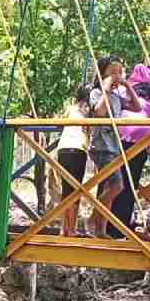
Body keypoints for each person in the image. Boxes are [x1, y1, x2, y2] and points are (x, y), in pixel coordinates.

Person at [110, 63, 150, 239]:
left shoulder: (123, 89)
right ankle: (121, 227)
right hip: (142, 140)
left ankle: (107, 225)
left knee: (111, 182)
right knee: (130, 183)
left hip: (119, 138)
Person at [88, 55, 142, 237]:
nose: (117, 75)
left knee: (109, 187)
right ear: (102, 75)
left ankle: (101, 229)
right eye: (112, 72)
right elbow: (99, 112)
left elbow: (137, 107)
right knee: (117, 186)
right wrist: (105, 86)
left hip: (114, 147)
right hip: (101, 147)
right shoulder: (96, 93)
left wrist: (127, 86)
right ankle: (93, 216)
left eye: (119, 72)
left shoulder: (117, 97)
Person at [56, 84, 92, 237]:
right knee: (76, 190)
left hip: (63, 148)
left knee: (67, 190)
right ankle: (71, 230)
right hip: (77, 149)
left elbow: (61, 123)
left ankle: (64, 229)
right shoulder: (87, 110)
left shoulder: (70, 109)